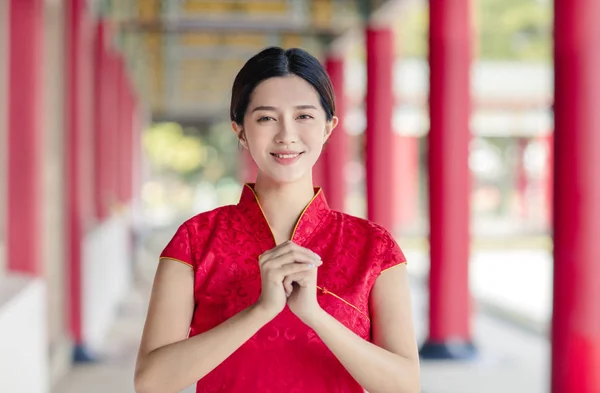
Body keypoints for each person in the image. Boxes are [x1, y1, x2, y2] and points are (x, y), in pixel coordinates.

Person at [134, 47, 420, 393]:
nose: (286, 135)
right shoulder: (195, 240)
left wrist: (314, 314)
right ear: (240, 130)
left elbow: (405, 386)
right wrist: (261, 310)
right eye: (266, 118)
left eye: (304, 117)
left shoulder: (375, 247)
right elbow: (150, 382)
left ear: (329, 127)